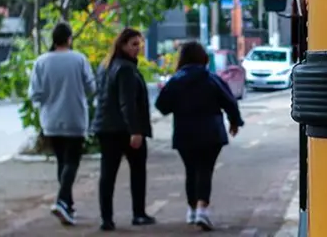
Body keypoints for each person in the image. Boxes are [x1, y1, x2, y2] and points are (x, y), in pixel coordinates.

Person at [155, 41, 245, 231]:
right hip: (211, 133)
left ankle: (192, 209)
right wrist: (235, 122)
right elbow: (229, 101)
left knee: (191, 170)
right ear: (203, 58)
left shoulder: (176, 80)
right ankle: (202, 209)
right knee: (205, 170)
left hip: (184, 133)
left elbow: (162, 105)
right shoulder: (212, 79)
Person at [28, 22, 96, 226]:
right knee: (72, 162)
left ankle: (68, 205)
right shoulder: (79, 59)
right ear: (69, 38)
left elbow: (35, 94)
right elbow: (91, 87)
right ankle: (61, 201)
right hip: (75, 118)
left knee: (61, 161)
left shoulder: (41, 62)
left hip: (51, 120)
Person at [91, 28, 155, 231]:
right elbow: (126, 103)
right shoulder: (125, 69)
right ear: (123, 45)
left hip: (105, 127)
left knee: (107, 174)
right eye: (134, 44)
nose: (138, 49)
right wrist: (135, 131)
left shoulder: (106, 66)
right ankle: (138, 213)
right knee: (137, 171)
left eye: (140, 44)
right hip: (123, 129)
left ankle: (106, 218)